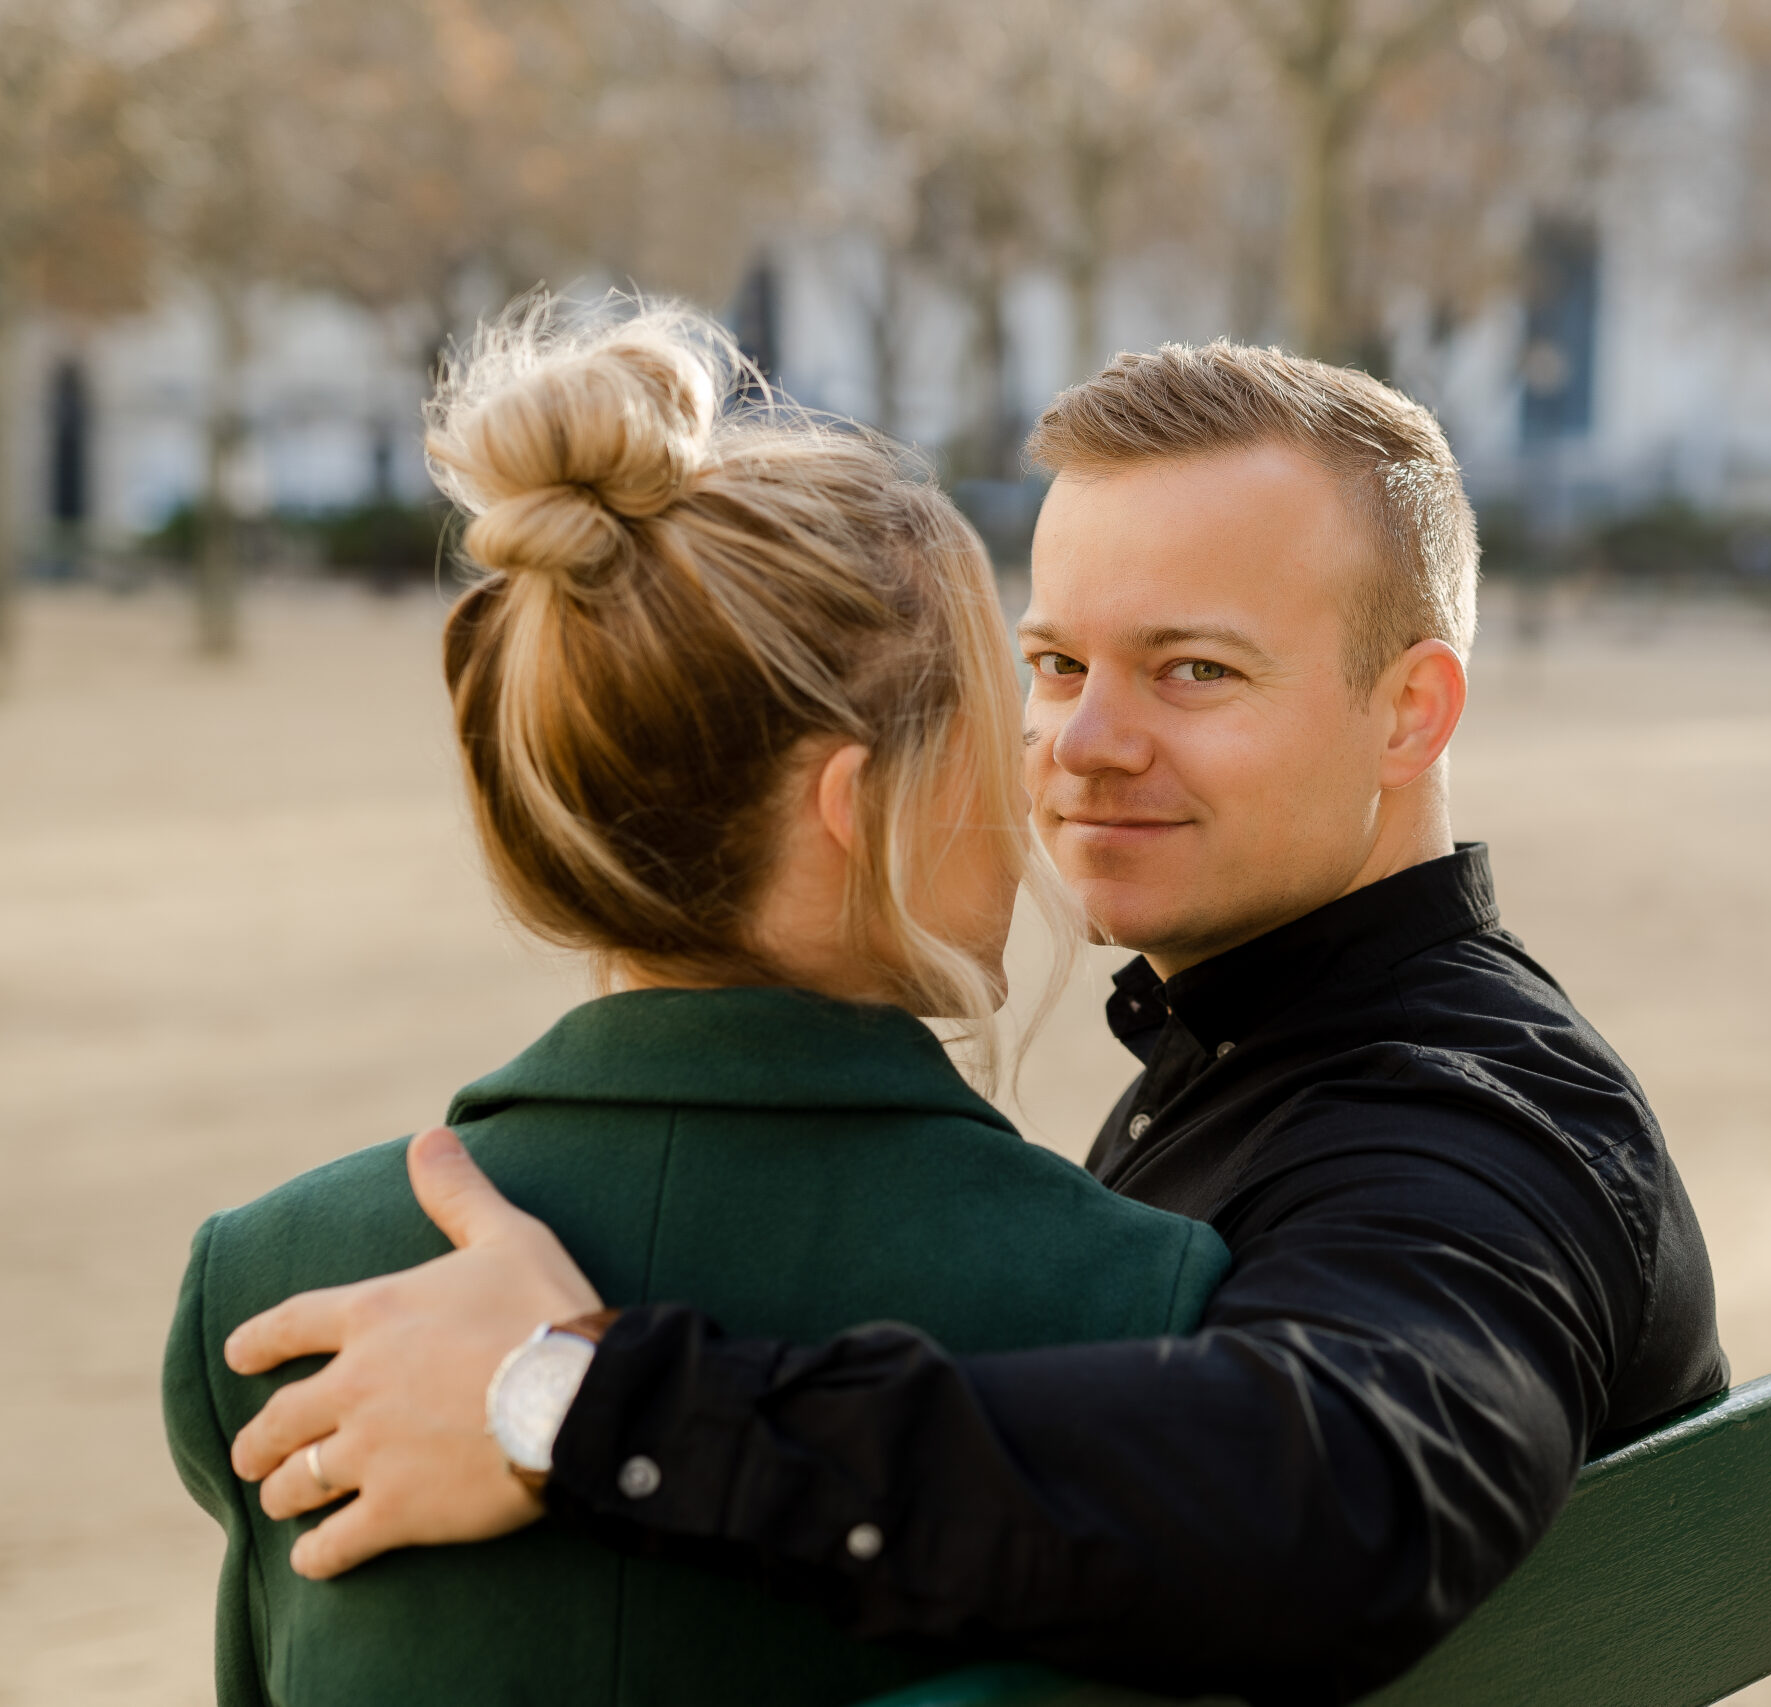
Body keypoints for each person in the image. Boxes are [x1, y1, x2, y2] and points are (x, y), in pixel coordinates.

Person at [220, 342, 1730, 1705]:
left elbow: (1338, 1496)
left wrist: (573, 1395)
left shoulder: (1476, 1116)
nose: (1081, 746)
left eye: (1193, 672)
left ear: (1411, 711)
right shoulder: (1281, 1056)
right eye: (1057, 663)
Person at [163, 301, 1233, 1707]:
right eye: (990, 723)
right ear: (857, 806)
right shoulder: (1131, 1298)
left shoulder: (274, 1281)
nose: (1036, 801)